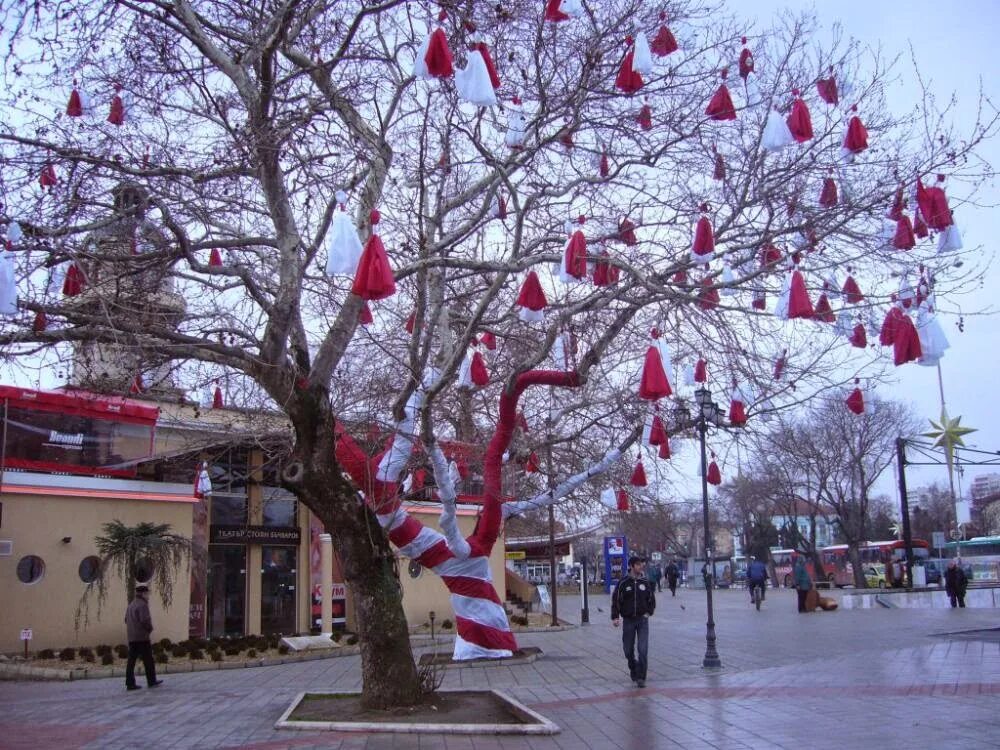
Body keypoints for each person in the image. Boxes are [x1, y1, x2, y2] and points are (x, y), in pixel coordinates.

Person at [611, 556, 656, 688]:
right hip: (628, 621)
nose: (640, 566)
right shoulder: (623, 583)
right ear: (631, 566)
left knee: (643, 650)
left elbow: (651, 600)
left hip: (642, 620)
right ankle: (633, 666)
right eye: (637, 565)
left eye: (641, 564)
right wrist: (615, 616)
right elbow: (616, 600)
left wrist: (649, 612)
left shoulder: (645, 582)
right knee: (627, 650)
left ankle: (641, 677)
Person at [125, 584, 163, 691]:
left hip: (132, 637)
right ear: (143, 594)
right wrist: (149, 629)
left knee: (131, 661)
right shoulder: (143, 605)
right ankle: (151, 681)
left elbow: (125, 620)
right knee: (148, 660)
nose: (148, 596)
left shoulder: (131, 605)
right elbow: (145, 620)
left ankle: (130, 683)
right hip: (142, 637)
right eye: (147, 594)